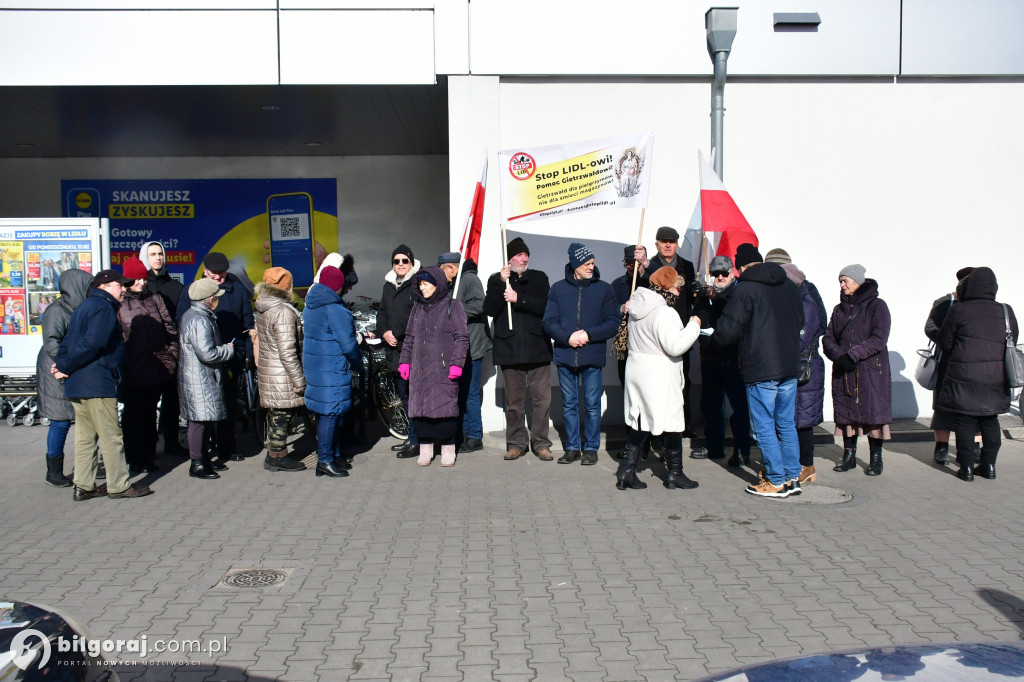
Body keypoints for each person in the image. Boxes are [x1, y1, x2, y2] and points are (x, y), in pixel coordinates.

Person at [55, 269, 154, 500]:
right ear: (104, 287)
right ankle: (119, 485)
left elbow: (67, 343)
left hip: (80, 383)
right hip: (97, 382)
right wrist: (64, 367)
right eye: (119, 285)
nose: (123, 289)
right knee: (111, 436)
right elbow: (93, 344)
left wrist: (63, 366)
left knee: (85, 438)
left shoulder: (84, 307)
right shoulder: (103, 308)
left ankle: (84, 485)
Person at [714, 244, 804, 498]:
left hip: (762, 367)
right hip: (788, 364)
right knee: (786, 423)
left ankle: (775, 480)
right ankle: (791, 476)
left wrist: (713, 341)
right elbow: (800, 321)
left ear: (740, 268)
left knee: (763, 426)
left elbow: (728, 331)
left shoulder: (745, 289)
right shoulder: (788, 285)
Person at [620, 268, 702, 490]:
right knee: (673, 422)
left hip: (637, 369)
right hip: (659, 373)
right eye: (676, 287)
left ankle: (626, 470)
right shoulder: (665, 312)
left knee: (641, 421)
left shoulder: (638, 305)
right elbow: (675, 347)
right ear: (668, 287)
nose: (678, 292)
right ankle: (675, 474)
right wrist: (694, 326)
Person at [936, 267, 1018, 481]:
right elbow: (1012, 342)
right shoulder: (1005, 311)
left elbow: (945, 343)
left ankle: (967, 469)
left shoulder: (959, 310)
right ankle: (989, 466)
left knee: (965, 421)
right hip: (995, 377)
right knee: (990, 420)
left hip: (963, 375)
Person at [543, 242, 620, 466]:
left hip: (592, 355)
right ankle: (572, 448)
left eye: (592, 263)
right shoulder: (558, 289)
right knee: (569, 404)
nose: (591, 267)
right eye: (586, 263)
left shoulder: (604, 289)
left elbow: (613, 322)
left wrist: (588, 334)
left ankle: (591, 448)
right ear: (575, 265)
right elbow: (548, 321)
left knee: (592, 404)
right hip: (566, 355)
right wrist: (567, 337)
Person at [176, 251, 253, 462]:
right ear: (205, 271)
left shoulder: (238, 291)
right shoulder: (192, 292)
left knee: (228, 404)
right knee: (204, 408)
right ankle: (204, 451)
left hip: (231, 357)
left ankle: (227, 448)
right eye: (214, 273)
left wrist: (246, 355)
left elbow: (248, 326)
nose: (218, 277)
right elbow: (182, 324)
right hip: (204, 360)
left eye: (222, 273)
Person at [483, 237, 554, 461]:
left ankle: (541, 443)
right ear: (509, 259)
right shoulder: (497, 280)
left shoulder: (539, 278)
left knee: (542, 400)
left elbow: (544, 307)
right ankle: (516, 444)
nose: (524, 258)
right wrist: (499, 284)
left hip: (537, 348)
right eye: (519, 255)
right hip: (509, 349)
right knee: (514, 402)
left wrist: (518, 298)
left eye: (526, 254)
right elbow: (490, 309)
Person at [823, 264, 893, 477]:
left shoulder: (877, 306)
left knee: (873, 414)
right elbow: (828, 338)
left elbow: (879, 339)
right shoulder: (838, 309)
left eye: (846, 280)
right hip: (845, 370)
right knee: (846, 414)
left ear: (858, 282)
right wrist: (839, 356)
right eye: (840, 281)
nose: (842, 285)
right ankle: (849, 456)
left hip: (871, 371)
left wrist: (851, 355)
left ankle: (875, 458)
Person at [398, 266, 469, 467]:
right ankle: (425, 449)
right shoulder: (417, 307)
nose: (423, 288)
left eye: (426, 284)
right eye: (420, 284)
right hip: (420, 369)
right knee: (421, 413)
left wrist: (457, 364)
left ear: (437, 284)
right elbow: (410, 337)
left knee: (445, 409)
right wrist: (405, 361)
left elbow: (462, 338)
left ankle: (448, 448)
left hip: (442, 369)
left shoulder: (452, 306)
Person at [634, 226, 699, 438]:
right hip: (655, 334)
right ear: (657, 245)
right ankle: (657, 428)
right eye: (664, 241)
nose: (668, 244)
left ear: (677, 243)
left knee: (682, 379)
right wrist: (644, 265)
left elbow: (692, 299)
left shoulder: (686, 266)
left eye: (672, 241)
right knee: (658, 383)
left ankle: (683, 423)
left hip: (678, 330)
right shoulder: (648, 265)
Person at [117, 256, 179, 475]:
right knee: (133, 417)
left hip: (157, 366)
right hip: (132, 369)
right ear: (126, 281)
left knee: (150, 414)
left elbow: (169, 328)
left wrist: (172, 354)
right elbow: (118, 337)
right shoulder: (120, 303)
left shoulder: (155, 298)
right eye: (136, 280)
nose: (141, 283)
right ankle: (135, 459)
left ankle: (149, 456)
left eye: (143, 279)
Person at [691, 255, 752, 466]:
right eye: (715, 274)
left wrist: (716, 299)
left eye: (723, 273)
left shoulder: (738, 293)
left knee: (739, 406)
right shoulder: (706, 293)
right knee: (711, 405)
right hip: (710, 357)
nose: (719, 277)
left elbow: (738, 320)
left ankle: (742, 449)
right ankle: (714, 446)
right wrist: (702, 300)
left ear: (732, 272)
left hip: (733, 357)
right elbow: (696, 316)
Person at [303, 265, 363, 477]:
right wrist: (358, 363)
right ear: (338, 287)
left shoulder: (310, 305)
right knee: (330, 414)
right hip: (332, 368)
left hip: (316, 367)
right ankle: (325, 461)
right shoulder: (336, 310)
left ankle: (334, 455)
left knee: (325, 412)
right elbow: (348, 345)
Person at [36, 268, 91, 487]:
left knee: (83, 419)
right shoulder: (56, 310)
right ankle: (54, 472)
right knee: (60, 421)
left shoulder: (79, 309)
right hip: (54, 371)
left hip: (71, 367)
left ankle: (87, 465)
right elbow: (51, 343)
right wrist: (64, 364)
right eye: (87, 287)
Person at [777, 256, 827, 485]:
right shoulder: (797, 299)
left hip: (805, 368)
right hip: (794, 365)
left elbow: (802, 338)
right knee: (792, 418)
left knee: (802, 420)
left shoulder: (806, 303)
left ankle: (807, 466)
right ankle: (794, 465)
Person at [178, 278, 235, 479]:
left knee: (205, 419)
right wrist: (227, 350)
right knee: (199, 421)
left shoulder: (197, 316)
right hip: (199, 378)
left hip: (200, 377)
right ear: (209, 300)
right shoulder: (199, 320)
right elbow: (207, 354)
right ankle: (198, 463)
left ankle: (203, 459)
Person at [254, 267, 307, 473]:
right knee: (282, 415)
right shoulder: (283, 311)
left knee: (277, 413)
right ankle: (277, 456)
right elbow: (287, 351)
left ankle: (274, 453)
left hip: (270, 369)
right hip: (282, 373)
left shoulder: (264, 307)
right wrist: (299, 380)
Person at [438, 251, 491, 453]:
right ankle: (464, 433)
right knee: (461, 392)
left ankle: (475, 436)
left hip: (472, 347)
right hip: (460, 348)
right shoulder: (453, 283)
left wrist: (454, 312)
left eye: (443, 270)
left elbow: (480, 305)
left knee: (469, 393)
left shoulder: (469, 279)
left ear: (451, 267)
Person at [373, 244, 421, 459]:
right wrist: (384, 332)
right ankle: (412, 437)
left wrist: (397, 332)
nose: (400, 264)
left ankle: (417, 440)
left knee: (412, 395)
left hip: (411, 348)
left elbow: (417, 314)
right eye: (396, 261)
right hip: (394, 349)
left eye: (404, 261)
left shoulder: (418, 283)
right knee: (403, 394)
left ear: (411, 262)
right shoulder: (388, 285)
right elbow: (382, 311)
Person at [925, 267, 976, 465]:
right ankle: (942, 446)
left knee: (975, 406)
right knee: (943, 406)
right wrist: (946, 341)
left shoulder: (981, 305)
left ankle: (976, 447)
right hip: (947, 361)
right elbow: (930, 326)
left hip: (973, 364)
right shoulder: (945, 302)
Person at [140, 240, 186, 455]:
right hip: (148, 354)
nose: (157, 257)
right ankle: (148, 446)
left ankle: (171, 441)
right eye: (152, 254)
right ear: (145, 257)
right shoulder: (140, 287)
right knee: (147, 404)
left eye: (160, 253)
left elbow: (181, 318)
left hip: (171, 351)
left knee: (171, 401)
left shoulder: (174, 287)